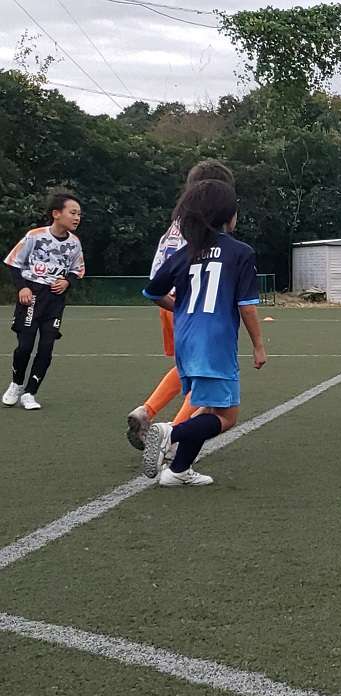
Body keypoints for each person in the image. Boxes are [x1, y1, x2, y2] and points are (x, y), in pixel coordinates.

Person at [140, 179, 267, 486]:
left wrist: (180, 309)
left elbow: (153, 291)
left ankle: (178, 471)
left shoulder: (185, 253)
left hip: (185, 339)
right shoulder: (240, 252)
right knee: (226, 416)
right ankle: (171, 433)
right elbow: (246, 306)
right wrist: (259, 345)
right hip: (215, 341)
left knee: (208, 407)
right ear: (227, 215)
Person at [126, 159, 236, 450]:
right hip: (195, 306)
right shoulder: (205, 230)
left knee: (186, 367)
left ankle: (147, 410)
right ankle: (172, 436)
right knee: (205, 375)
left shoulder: (177, 224)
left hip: (168, 303)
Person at [3, 193, 85, 410]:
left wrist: (67, 281)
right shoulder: (35, 236)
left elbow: (78, 270)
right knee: (25, 346)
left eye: (79, 214)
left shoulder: (74, 243)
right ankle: (16, 384)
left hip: (54, 300)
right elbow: (13, 262)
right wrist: (22, 287)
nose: (77, 218)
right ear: (56, 214)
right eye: (73, 213)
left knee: (46, 347)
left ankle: (30, 393)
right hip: (32, 296)